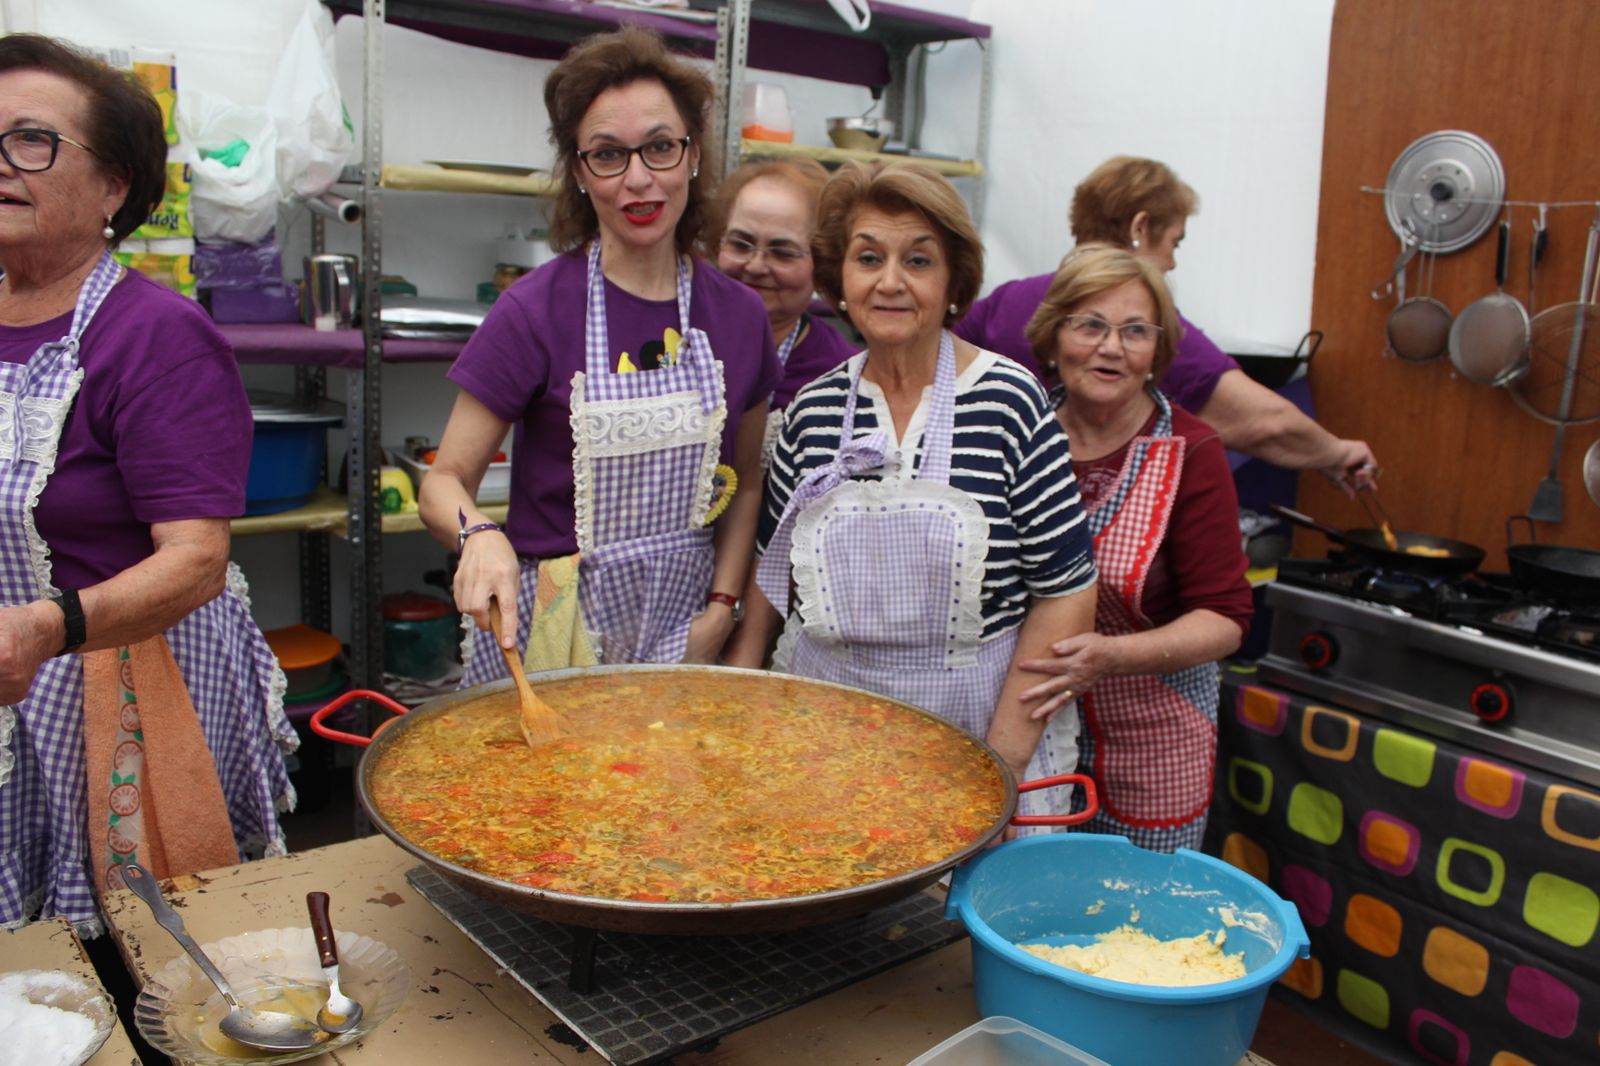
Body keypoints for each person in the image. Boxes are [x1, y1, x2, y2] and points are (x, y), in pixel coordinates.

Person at [0, 36, 295, 932]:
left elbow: (197, 560)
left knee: (142, 950)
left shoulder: (155, 335)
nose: (2, 164)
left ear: (114, 187)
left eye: (32, 141)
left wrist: (46, 628)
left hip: (113, 682)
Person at [724, 161, 1098, 812]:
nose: (890, 282)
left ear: (954, 280)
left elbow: (1065, 593)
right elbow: (771, 569)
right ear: (840, 277)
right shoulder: (813, 410)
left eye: (918, 261)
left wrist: (1001, 766)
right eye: (869, 258)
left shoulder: (1009, 400)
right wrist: (733, 699)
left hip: (977, 727)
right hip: (825, 731)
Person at [420, 27, 779, 673]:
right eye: (609, 155)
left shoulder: (740, 315)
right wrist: (479, 534)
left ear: (694, 155)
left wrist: (723, 607)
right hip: (552, 624)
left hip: (684, 619)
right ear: (580, 172)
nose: (639, 179)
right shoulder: (533, 311)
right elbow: (443, 482)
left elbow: (748, 481)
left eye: (661, 148)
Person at [1016, 244, 1254, 852]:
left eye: (1134, 331)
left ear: (1158, 352)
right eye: (1090, 324)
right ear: (1053, 335)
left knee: (1135, 929)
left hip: (1150, 739)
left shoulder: (1192, 453)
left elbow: (1226, 620)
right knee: (1029, 908)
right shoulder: (1018, 432)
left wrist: (1112, 658)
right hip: (1025, 728)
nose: (1111, 347)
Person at [955, 155, 1376, 493]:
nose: (1173, 262)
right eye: (1175, 242)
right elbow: (1265, 423)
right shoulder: (1143, 332)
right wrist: (1339, 453)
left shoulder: (1005, 300)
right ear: (1140, 228)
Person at [704, 159, 858, 459]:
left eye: (783, 252)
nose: (756, 266)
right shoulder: (679, 342)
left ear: (824, 264)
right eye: (740, 244)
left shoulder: (843, 376)